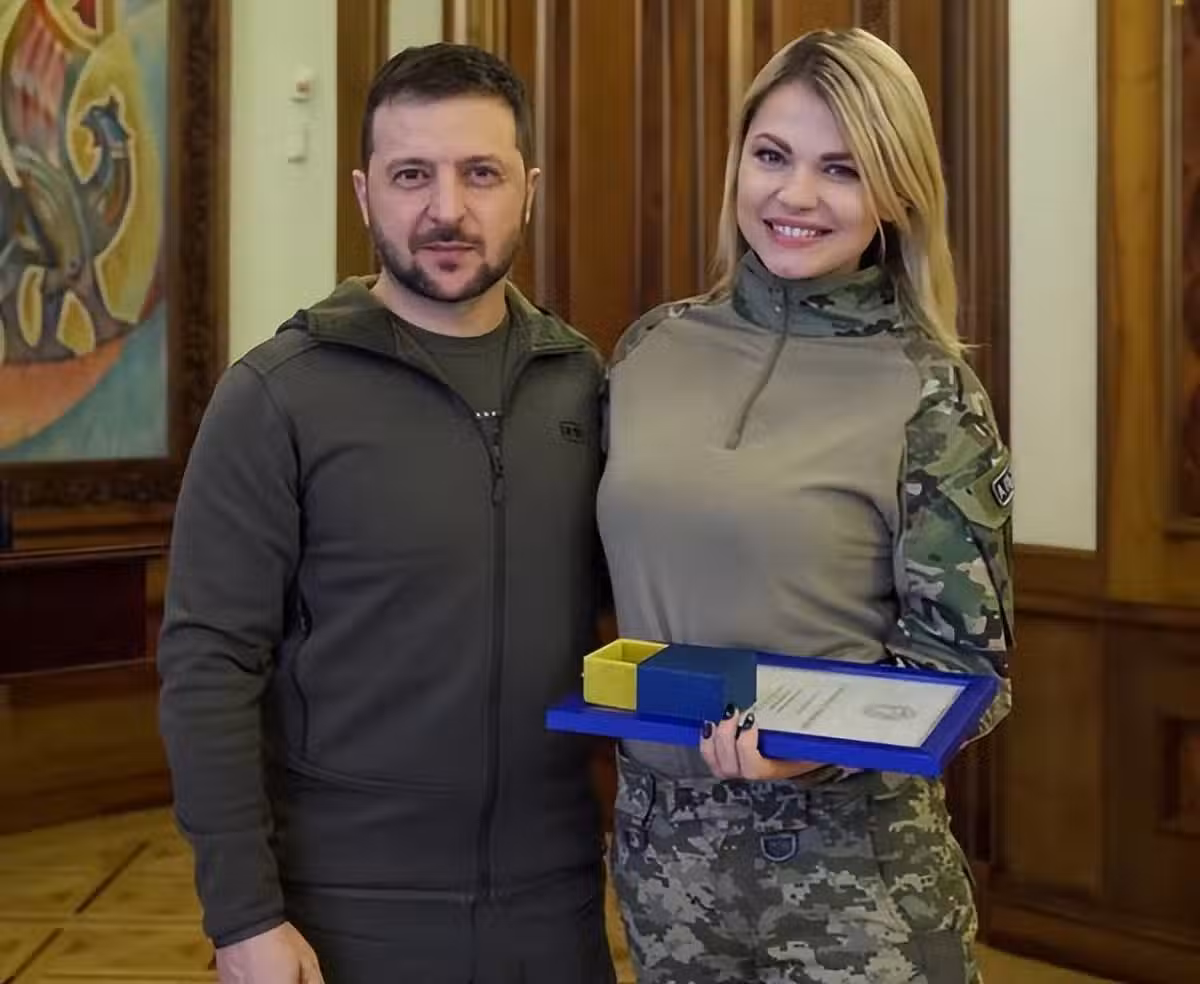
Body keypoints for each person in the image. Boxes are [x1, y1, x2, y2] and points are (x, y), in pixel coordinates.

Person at [157, 43, 614, 984]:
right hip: (346, 906)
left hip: (555, 901)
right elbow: (209, 666)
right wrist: (243, 916)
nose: (447, 209)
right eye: (412, 175)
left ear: (527, 191)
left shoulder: (585, 384)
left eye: (480, 173)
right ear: (365, 195)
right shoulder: (276, 396)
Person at [597, 28, 1014, 984]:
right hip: (665, 870)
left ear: (895, 194)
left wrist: (812, 751)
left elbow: (971, 673)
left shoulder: (931, 393)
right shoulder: (649, 351)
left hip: (855, 884)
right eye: (772, 155)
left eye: (842, 169)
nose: (795, 196)